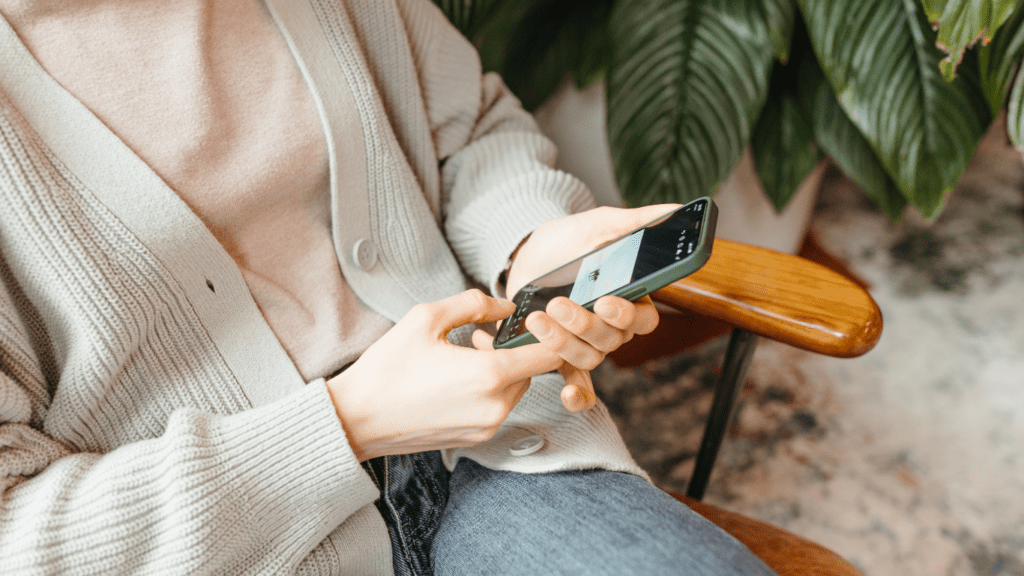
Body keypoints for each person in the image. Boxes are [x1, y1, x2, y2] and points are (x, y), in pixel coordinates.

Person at [0, 0, 780, 574]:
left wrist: (533, 241)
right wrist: (346, 424)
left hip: (494, 454)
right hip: (235, 545)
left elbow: (468, 133)